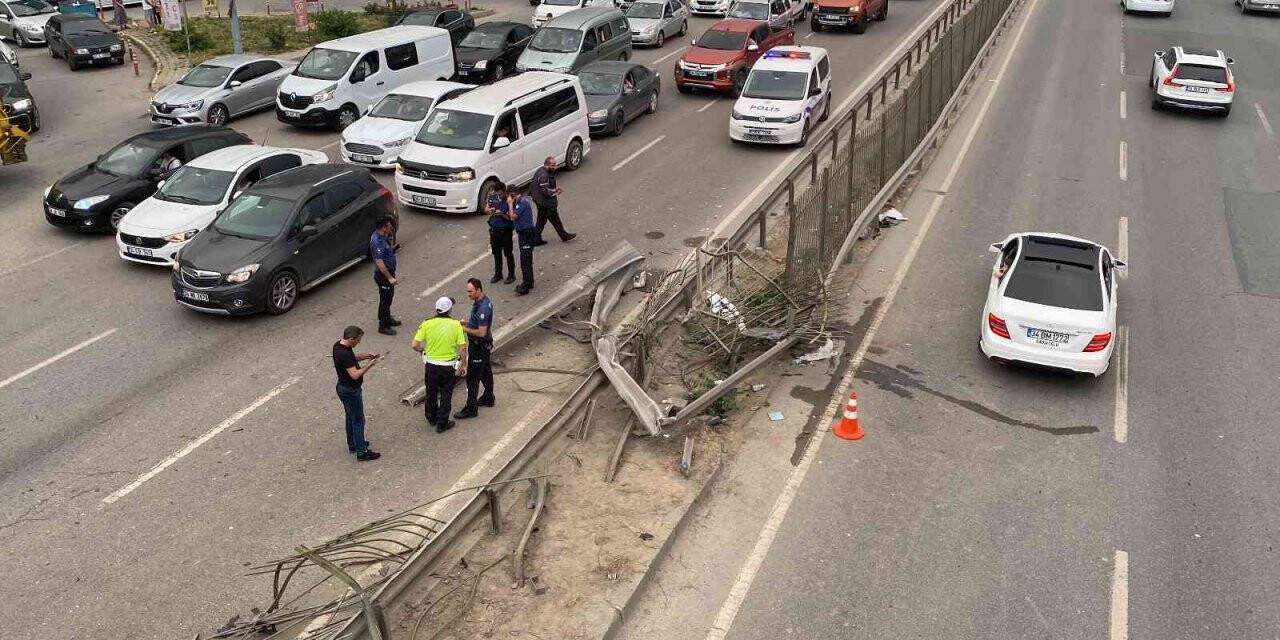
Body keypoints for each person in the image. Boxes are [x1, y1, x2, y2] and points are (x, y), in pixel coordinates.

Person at [412, 297, 468, 433]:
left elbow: (415, 345)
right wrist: (463, 365)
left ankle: (431, 417)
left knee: (431, 392)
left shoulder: (426, 323)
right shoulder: (456, 325)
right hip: (448, 366)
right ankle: (442, 423)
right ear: (449, 310)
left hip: (431, 366)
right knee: (445, 394)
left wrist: (423, 351)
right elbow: (462, 348)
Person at [333, 326, 381, 461]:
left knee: (350, 416)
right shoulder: (345, 353)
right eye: (358, 340)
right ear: (351, 338)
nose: (358, 343)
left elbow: (351, 360)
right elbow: (354, 374)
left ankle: (353, 443)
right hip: (350, 390)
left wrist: (364, 356)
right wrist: (369, 365)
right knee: (358, 420)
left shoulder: (338, 346)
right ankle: (362, 452)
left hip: (342, 387)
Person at [456, 278, 495, 419]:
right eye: (467, 291)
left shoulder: (483, 307)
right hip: (482, 346)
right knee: (485, 372)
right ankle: (489, 397)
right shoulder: (480, 302)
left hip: (479, 347)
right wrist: (467, 323)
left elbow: (481, 332)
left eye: (470, 291)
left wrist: (463, 329)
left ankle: (471, 409)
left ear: (479, 290)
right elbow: (477, 323)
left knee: (472, 378)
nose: (468, 294)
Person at [531, 156, 575, 246]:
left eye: (555, 164)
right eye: (552, 165)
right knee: (555, 219)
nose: (555, 167)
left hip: (539, 200)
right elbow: (545, 191)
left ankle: (536, 239)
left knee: (541, 220)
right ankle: (564, 235)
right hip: (544, 202)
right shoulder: (544, 175)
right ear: (546, 165)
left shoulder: (541, 170)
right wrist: (556, 191)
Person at [371, 216, 400, 335]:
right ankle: (383, 325)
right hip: (383, 276)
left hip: (388, 272)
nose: (391, 227)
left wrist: (392, 250)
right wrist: (390, 278)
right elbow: (379, 262)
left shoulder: (381, 237)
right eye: (389, 226)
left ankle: (388, 318)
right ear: (384, 227)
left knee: (389, 298)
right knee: (385, 300)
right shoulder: (377, 241)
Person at [486, 181, 516, 285]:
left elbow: (511, 218)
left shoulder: (509, 200)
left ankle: (511, 274)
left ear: (505, 191)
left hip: (505, 231)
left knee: (508, 253)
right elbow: (487, 208)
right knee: (496, 254)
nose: (499, 196)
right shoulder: (492, 196)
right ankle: (498, 274)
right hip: (494, 230)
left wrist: (502, 214)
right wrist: (490, 210)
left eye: (500, 194)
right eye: (497, 194)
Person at [510, 184, 538, 295]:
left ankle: (527, 283)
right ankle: (529, 281)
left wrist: (509, 204)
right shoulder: (518, 202)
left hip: (526, 234)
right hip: (523, 234)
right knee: (525, 258)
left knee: (525, 260)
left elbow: (513, 216)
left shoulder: (522, 203)